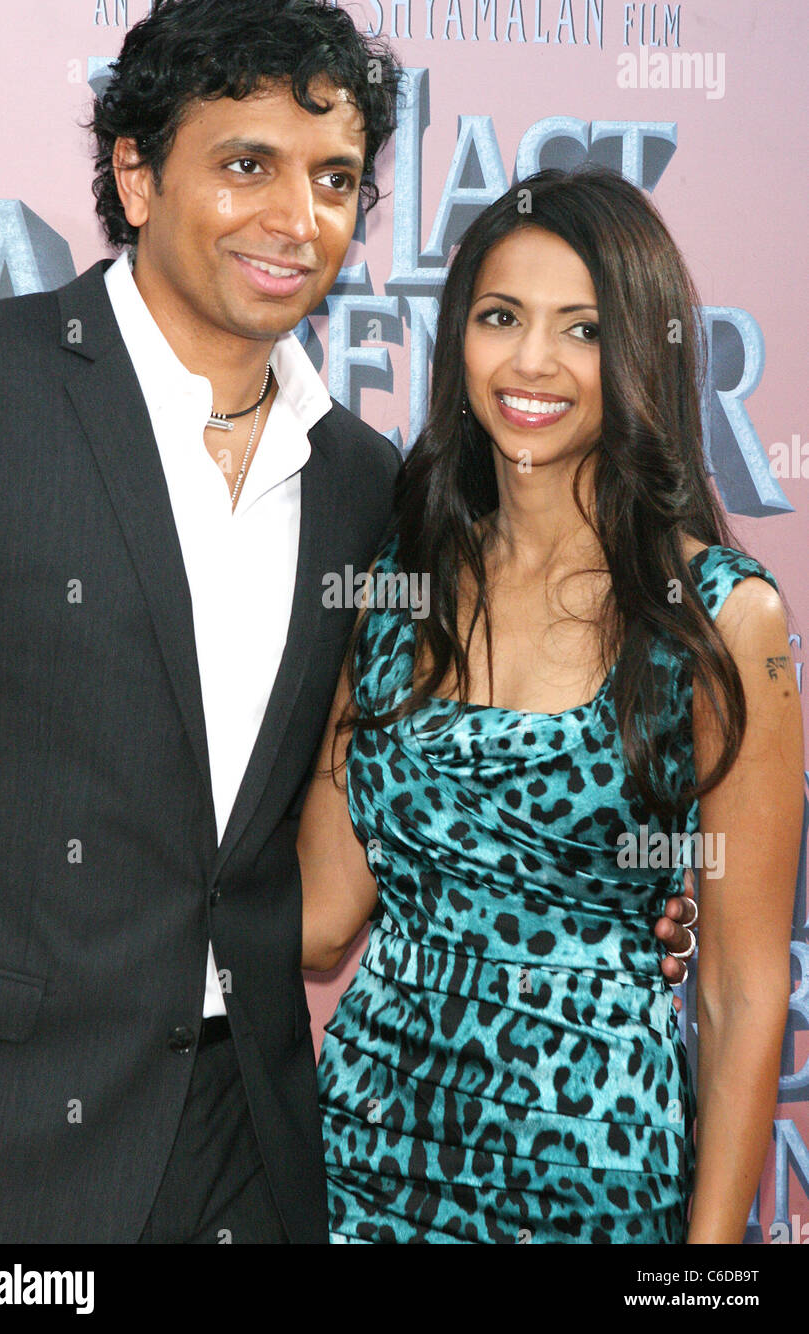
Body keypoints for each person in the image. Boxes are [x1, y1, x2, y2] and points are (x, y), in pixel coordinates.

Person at [0, 0, 405, 1244]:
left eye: (331, 178)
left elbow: (374, 777)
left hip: (243, 1133)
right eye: (247, 163)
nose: (296, 218)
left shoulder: (364, 483)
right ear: (138, 176)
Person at [299, 167, 803, 1243]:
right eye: (499, 317)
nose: (530, 362)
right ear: (458, 341)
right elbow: (320, 916)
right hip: (361, 1160)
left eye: (579, 328)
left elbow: (739, 990)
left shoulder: (722, 616)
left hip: (591, 1178)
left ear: (639, 354)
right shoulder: (398, 585)